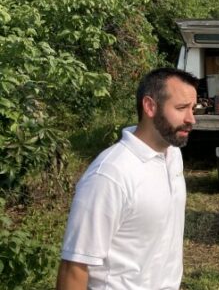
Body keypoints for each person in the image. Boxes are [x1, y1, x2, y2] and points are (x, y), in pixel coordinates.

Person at [56, 68, 199, 290]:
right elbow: (74, 268)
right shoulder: (110, 175)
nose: (191, 119)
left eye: (193, 108)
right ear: (150, 106)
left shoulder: (172, 156)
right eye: (181, 108)